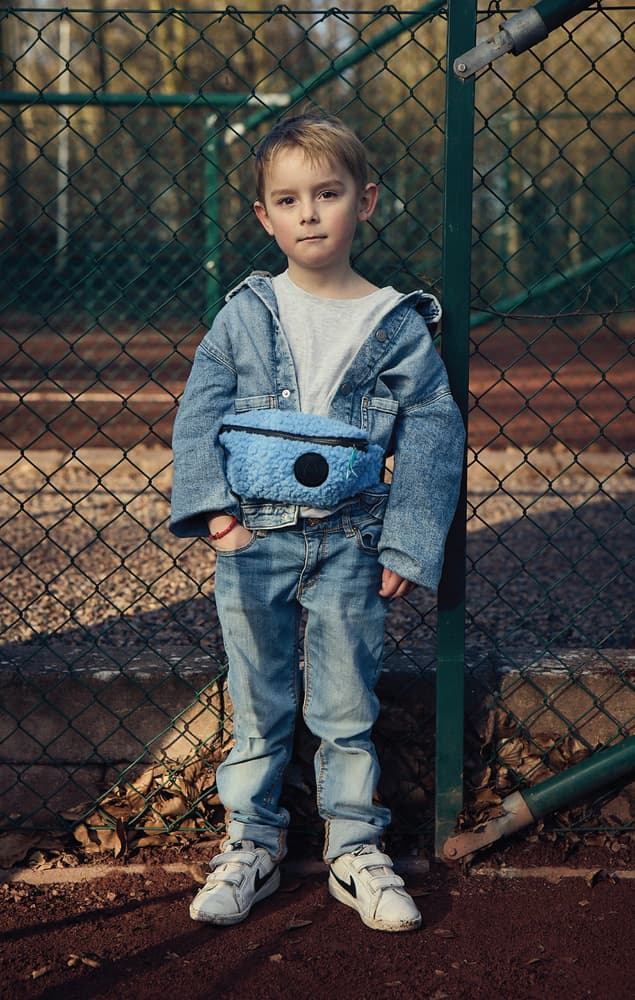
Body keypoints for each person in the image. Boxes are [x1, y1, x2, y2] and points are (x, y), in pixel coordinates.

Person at [170, 111, 465, 932]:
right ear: (263, 216)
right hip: (252, 540)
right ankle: (250, 843)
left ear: (364, 202)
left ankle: (353, 847)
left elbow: (435, 433)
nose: (309, 213)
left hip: (350, 543)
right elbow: (200, 413)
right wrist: (215, 514)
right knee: (258, 698)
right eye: (289, 199)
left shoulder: (397, 323)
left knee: (343, 703)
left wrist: (407, 539)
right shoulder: (245, 312)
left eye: (327, 194)